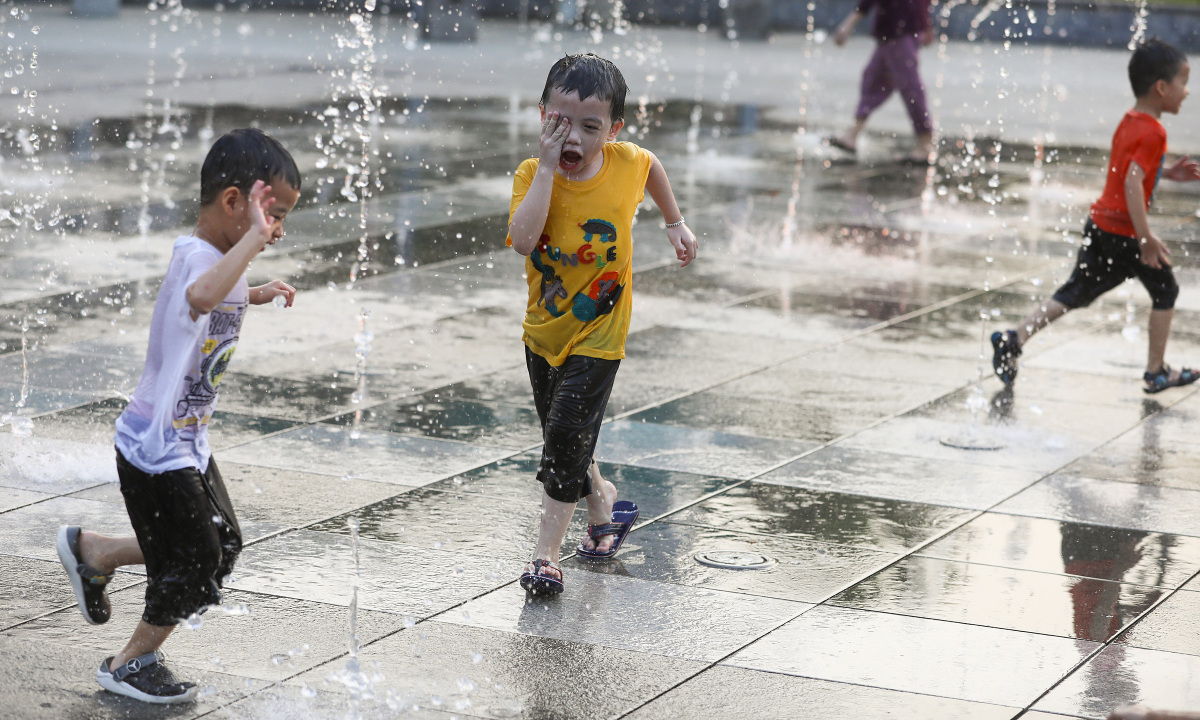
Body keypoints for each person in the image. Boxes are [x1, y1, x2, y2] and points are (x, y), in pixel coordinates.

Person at [55, 128, 301, 703]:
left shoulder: (223, 261)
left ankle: (97, 552)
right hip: (152, 447)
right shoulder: (199, 258)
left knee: (222, 542)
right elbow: (198, 298)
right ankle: (128, 665)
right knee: (197, 559)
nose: (278, 231)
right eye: (273, 216)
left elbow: (223, 293)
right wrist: (248, 255)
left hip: (185, 440)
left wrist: (257, 292)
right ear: (233, 202)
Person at [507, 53, 697, 595]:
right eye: (559, 123)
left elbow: (651, 164)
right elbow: (523, 240)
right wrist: (546, 168)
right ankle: (602, 502)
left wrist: (674, 222)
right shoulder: (531, 173)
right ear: (542, 115)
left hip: (601, 332)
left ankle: (545, 557)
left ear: (612, 131)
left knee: (566, 432)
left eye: (590, 127)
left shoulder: (625, 163)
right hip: (544, 331)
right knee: (564, 435)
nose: (573, 137)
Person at [992, 39, 1200, 393]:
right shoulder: (1155, 131)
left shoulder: (1131, 121)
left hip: (1101, 225)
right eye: (1183, 82)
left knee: (1077, 291)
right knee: (1165, 290)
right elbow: (1133, 183)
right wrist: (1145, 237)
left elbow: (1128, 172)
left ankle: (1015, 337)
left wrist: (1165, 172)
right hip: (1125, 234)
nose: (1187, 92)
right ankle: (1156, 372)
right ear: (1161, 88)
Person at [828, 0, 936, 164]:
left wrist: (848, 24)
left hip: (900, 33)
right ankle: (852, 135)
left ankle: (925, 145)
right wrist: (926, 26)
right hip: (893, 32)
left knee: (910, 89)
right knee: (872, 81)